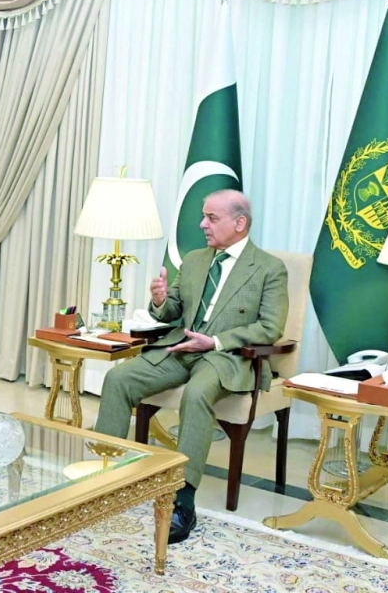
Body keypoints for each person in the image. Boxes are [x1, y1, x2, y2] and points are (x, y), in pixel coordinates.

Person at [93, 189, 288, 544]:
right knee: (119, 378)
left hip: (225, 356)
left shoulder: (269, 269)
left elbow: (270, 327)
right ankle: (105, 480)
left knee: (197, 394)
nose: (202, 224)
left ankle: (183, 501)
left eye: (212, 218)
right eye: (204, 216)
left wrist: (214, 341)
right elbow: (173, 311)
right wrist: (159, 300)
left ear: (239, 223)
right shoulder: (195, 260)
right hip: (180, 348)